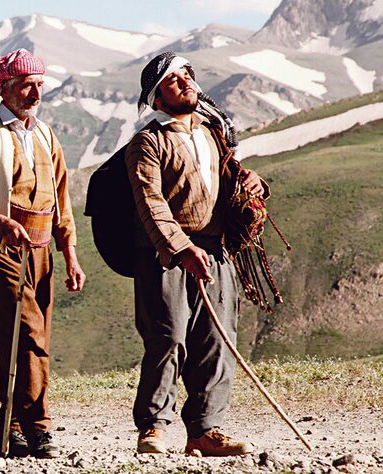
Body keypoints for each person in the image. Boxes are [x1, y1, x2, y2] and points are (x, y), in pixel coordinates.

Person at [125, 52, 267, 456]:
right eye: (173, 80)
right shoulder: (148, 142)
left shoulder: (212, 134)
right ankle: (153, 426)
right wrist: (181, 248)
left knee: (216, 341)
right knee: (168, 337)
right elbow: (150, 204)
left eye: (187, 74)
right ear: (156, 98)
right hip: (165, 255)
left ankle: (205, 430)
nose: (185, 82)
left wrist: (253, 183)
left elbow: (231, 178)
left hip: (215, 252)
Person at [0, 49, 85, 459]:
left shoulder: (46, 135)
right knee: (28, 335)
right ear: (4, 89)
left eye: (39, 85)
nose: (35, 93)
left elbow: (61, 201)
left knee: (25, 341)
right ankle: (38, 427)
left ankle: (9, 429)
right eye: (26, 85)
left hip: (41, 251)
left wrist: (70, 253)